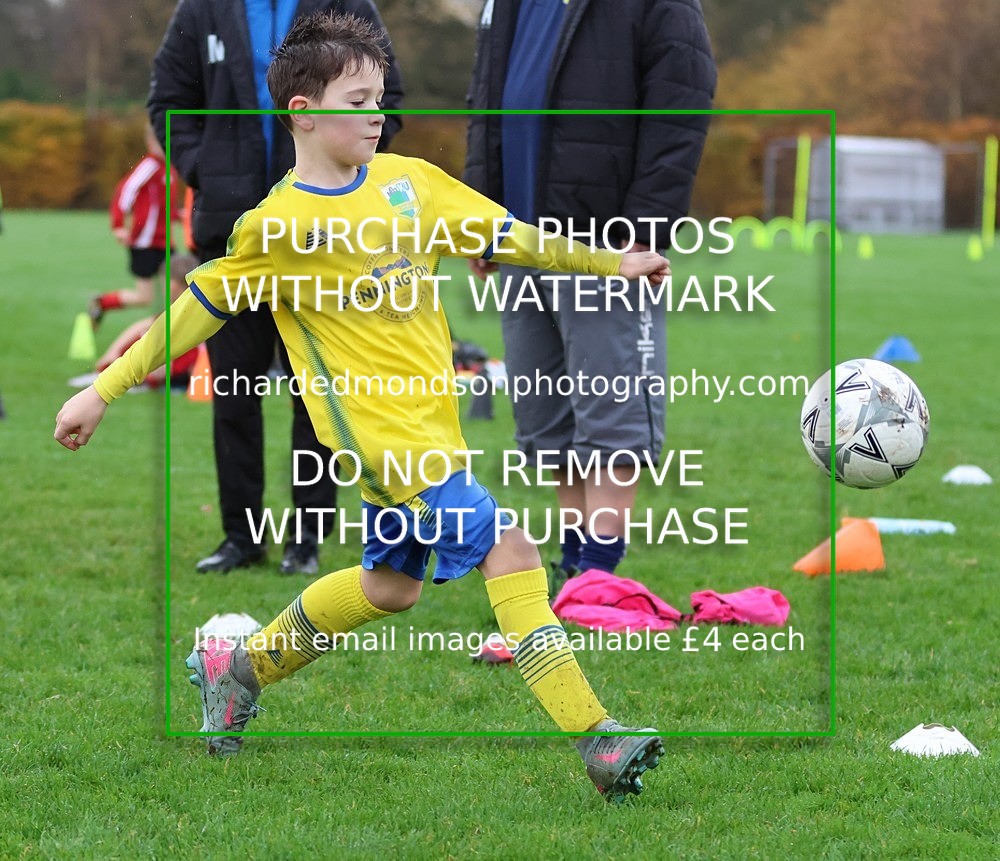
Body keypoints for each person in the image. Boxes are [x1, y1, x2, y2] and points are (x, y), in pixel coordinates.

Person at [55, 12, 674, 803]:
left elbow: (512, 235)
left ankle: (237, 667)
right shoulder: (277, 228)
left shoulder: (410, 184)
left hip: (434, 434)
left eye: (379, 98)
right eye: (357, 101)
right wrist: (101, 389)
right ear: (303, 113)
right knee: (513, 548)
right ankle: (599, 739)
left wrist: (609, 262)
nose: (376, 115)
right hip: (383, 447)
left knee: (390, 588)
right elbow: (196, 309)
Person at [464, 0, 716, 591]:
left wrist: (646, 226)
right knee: (548, 417)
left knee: (611, 414)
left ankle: (600, 572)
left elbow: (680, 107)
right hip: (522, 239)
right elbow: (485, 105)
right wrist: (482, 215)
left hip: (607, 242)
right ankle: (574, 562)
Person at [148, 0, 404, 575]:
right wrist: (206, 168)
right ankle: (241, 538)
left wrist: (344, 174)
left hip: (322, 238)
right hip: (232, 233)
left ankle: (306, 539)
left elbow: (389, 96)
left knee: (315, 397)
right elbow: (168, 101)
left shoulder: (343, 4)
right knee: (234, 393)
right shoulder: (204, 9)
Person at [89, 124, 182, 328]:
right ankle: (102, 302)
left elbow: (161, 205)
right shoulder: (150, 165)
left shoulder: (170, 169)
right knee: (144, 297)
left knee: (177, 291)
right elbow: (125, 191)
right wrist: (118, 224)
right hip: (145, 242)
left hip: (165, 242)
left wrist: (178, 216)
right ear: (151, 143)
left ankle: (167, 333)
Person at [74, 254, 202, 391]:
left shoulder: (194, 307)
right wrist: (113, 352)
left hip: (184, 366)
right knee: (145, 334)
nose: (163, 287)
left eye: (166, 282)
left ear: (177, 284)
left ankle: (127, 377)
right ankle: (115, 372)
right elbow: (142, 325)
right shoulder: (178, 305)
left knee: (149, 339)